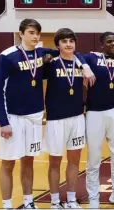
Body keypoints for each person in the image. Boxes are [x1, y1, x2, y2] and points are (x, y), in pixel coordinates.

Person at [0, 19, 94, 210]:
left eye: (37, 33)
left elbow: (71, 53)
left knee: (28, 161)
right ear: (21, 33)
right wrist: (3, 121)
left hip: (35, 117)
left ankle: (28, 202)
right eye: (31, 32)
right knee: (8, 164)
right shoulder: (7, 56)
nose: (35, 37)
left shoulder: (43, 53)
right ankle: (7, 206)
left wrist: (86, 66)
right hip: (13, 118)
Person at [83, 32, 114, 208]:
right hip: (95, 112)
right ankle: (93, 197)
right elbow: (77, 56)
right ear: (102, 44)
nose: (113, 44)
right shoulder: (91, 58)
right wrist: (85, 67)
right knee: (94, 157)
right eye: (109, 41)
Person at [42, 28, 86, 209]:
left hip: (77, 117)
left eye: (71, 41)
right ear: (58, 45)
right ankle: (54, 201)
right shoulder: (51, 63)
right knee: (55, 162)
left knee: (74, 160)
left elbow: (82, 57)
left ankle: (71, 199)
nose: (69, 44)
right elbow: (41, 55)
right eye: (64, 41)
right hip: (56, 119)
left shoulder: (81, 64)